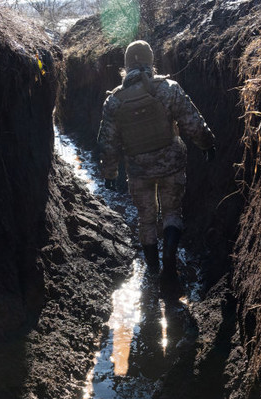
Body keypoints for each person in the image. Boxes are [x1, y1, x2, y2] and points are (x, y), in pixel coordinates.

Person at [98, 40, 215, 279]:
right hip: (171, 163)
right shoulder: (168, 88)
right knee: (172, 212)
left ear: (126, 65)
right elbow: (192, 121)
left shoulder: (114, 101)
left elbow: (108, 143)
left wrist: (110, 174)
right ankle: (170, 257)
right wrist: (207, 144)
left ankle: (153, 271)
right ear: (151, 62)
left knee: (146, 219)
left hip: (138, 171)